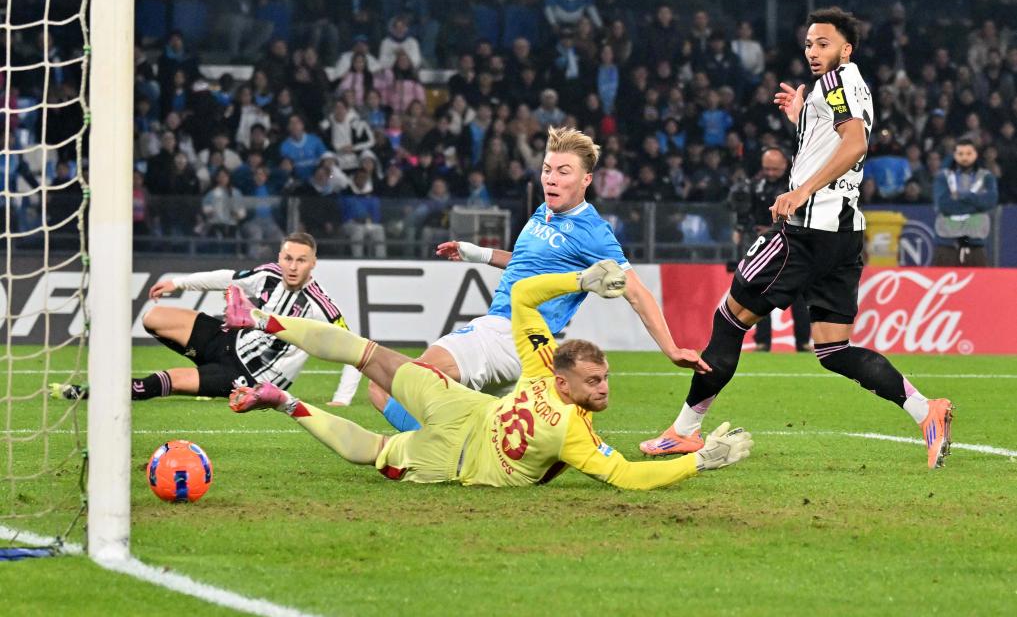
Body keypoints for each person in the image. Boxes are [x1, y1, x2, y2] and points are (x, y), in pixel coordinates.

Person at [639, 8, 954, 469]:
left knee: (729, 319)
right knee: (834, 349)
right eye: (809, 43)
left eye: (823, 43)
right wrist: (802, 117)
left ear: (846, 48)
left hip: (807, 231)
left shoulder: (835, 81)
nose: (812, 51)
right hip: (844, 236)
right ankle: (927, 411)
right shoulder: (853, 84)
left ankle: (684, 433)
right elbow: (834, 141)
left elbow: (855, 144)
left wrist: (802, 190)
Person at [224, 262, 753, 489]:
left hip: (461, 413)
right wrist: (699, 462)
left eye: (605, 377)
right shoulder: (573, 433)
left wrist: (581, 281)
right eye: (594, 381)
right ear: (565, 383)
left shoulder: (543, 363)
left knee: (370, 364)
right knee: (376, 442)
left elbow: (523, 296)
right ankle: (271, 356)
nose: (604, 388)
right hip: (460, 455)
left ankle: (273, 365)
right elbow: (628, 477)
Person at [373, 126, 709, 433]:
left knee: (388, 384)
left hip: (505, 335)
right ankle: (457, 445)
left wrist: (671, 348)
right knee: (417, 401)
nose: (551, 179)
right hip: (529, 354)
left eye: (564, 171)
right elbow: (527, 264)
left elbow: (636, 292)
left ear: (586, 179)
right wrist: (477, 253)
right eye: (547, 170)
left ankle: (445, 449)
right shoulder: (544, 211)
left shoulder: (594, 232)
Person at [51, 233, 359, 402]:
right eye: (288, 258)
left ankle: (90, 393)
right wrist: (178, 283)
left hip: (251, 376)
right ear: (280, 257)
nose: (292, 266)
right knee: (152, 318)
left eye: (301, 260)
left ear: (313, 263)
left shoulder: (321, 306)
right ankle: (205, 370)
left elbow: (355, 350)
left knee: (168, 380)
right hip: (230, 340)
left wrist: (342, 398)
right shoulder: (269, 274)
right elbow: (226, 277)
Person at [730, 147, 811, 352]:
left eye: (775, 169)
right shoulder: (754, 186)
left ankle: (803, 341)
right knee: (759, 292)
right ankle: (762, 341)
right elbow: (744, 213)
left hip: (792, 245)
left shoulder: (796, 185)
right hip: (764, 246)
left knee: (798, 295)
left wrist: (774, 228)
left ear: (785, 164)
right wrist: (744, 229)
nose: (771, 173)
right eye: (767, 168)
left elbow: (804, 215)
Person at [932, 138, 998, 266]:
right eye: (960, 154)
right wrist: (976, 204)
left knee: (979, 279)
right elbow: (944, 206)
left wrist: (962, 197)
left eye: (969, 153)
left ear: (975, 154)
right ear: (954, 155)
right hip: (947, 242)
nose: (964, 158)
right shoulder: (943, 177)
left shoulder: (986, 177)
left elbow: (990, 202)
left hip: (975, 242)